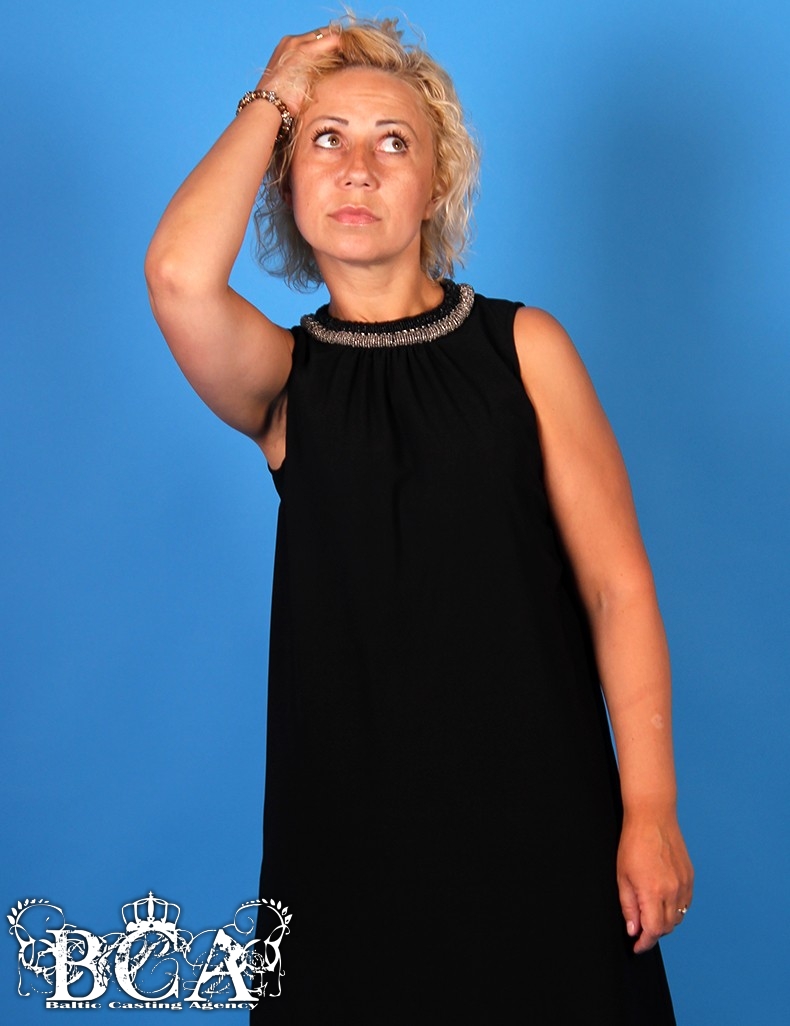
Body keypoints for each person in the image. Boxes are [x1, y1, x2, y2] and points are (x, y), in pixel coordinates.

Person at [145, 15, 693, 1024]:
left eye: (393, 142)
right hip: (346, 852)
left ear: (437, 185)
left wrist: (650, 806)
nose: (358, 169)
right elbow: (179, 274)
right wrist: (275, 95)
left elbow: (617, 587)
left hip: (544, 823)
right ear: (284, 178)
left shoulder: (525, 351)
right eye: (326, 140)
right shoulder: (287, 385)